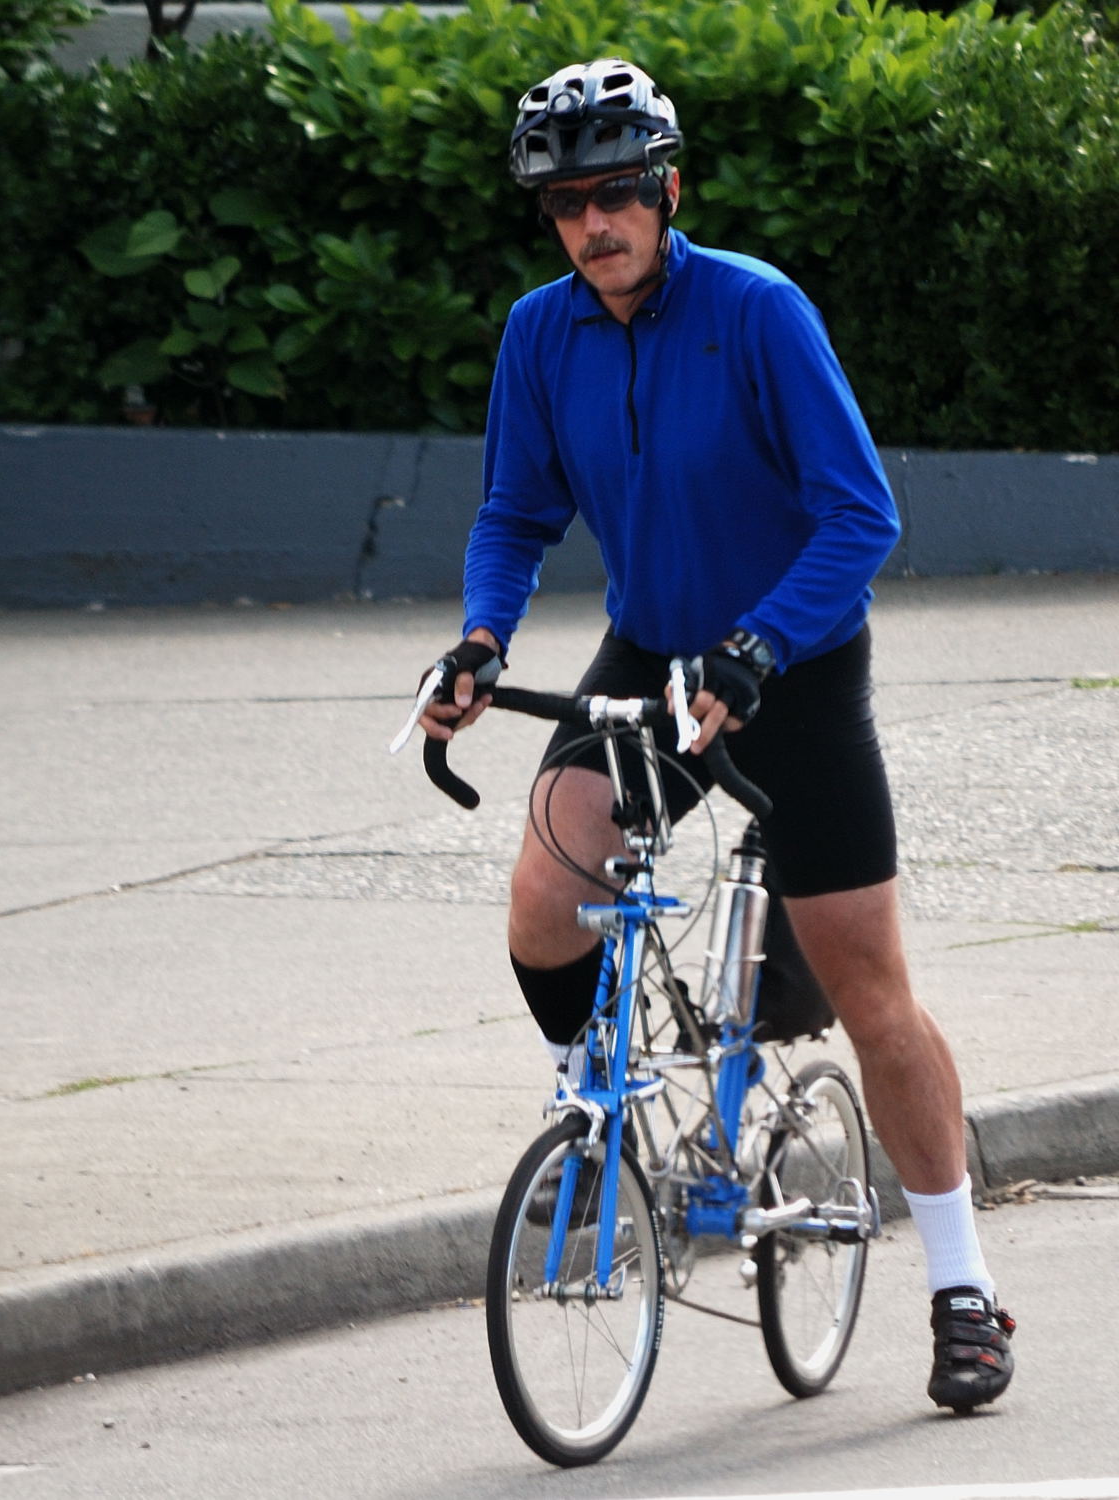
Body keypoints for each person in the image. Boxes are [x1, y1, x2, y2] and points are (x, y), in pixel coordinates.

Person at [416, 57, 1014, 1412]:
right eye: (568, 202)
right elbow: (515, 514)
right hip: (652, 651)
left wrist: (760, 644)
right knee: (543, 888)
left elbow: (862, 514)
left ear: (667, 189)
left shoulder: (758, 312)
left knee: (872, 990)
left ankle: (962, 1285)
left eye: (619, 191)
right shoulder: (540, 333)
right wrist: (483, 642)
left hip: (790, 666)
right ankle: (598, 1130)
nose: (596, 223)